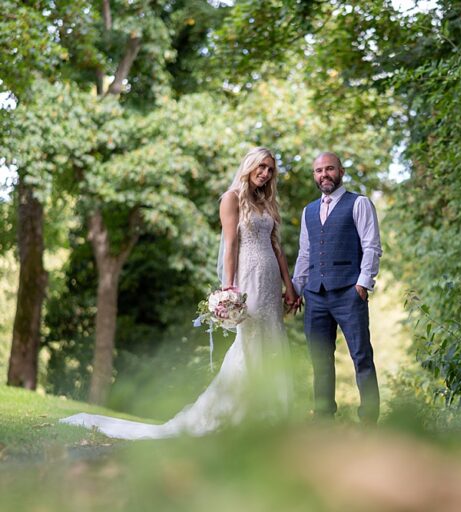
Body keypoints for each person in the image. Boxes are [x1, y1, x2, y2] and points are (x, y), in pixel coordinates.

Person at [60, 147, 297, 439]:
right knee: (250, 339)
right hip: (248, 277)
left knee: (273, 335)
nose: (266, 173)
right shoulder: (232, 198)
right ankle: (244, 411)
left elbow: (277, 247)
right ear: (249, 166)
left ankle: (274, 412)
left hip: (272, 277)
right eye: (261, 167)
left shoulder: (268, 203)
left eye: (271, 169)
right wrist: (229, 287)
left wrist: (289, 286)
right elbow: (231, 245)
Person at [292, 151, 382, 424]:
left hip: (348, 292)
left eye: (329, 169)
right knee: (319, 359)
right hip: (315, 295)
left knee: (361, 356)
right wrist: (297, 289)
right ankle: (323, 416)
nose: (324, 175)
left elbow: (372, 246)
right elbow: (305, 254)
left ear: (340, 171)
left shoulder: (359, 203)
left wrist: (363, 283)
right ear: (314, 175)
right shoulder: (308, 211)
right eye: (319, 171)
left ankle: (369, 418)